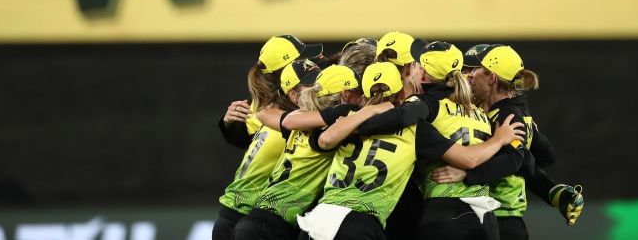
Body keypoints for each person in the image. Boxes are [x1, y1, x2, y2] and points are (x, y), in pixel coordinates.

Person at [297, 62, 524, 240]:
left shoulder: (346, 120)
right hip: (361, 224)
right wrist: (499, 139)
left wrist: (366, 112)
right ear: (400, 94)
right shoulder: (414, 129)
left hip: (316, 221)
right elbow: (469, 158)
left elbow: (325, 140)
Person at [431, 44, 583, 240]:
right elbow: (544, 155)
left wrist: (467, 174)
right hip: (500, 216)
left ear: (492, 77)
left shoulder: (506, 116)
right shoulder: (514, 113)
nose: (468, 75)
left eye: (474, 69)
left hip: (501, 216)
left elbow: (514, 161)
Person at [233, 63, 393, 240]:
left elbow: (266, 114)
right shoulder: (341, 119)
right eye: (358, 92)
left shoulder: (302, 118)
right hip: (274, 227)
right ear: (346, 94)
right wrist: (373, 109)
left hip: (258, 220)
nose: (363, 97)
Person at [212, 36, 322, 240]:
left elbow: (246, 138)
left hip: (237, 212)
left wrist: (229, 125)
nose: (313, 64)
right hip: (252, 214)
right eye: (304, 61)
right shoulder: (292, 112)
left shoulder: (268, 105)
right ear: (287, 69)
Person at [415, 41, 507, 240]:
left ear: (423, 75)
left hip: (444, 210)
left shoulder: (426, 108)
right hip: (486, 215)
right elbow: (506, 160)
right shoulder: (480, 111)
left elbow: (468, 159)